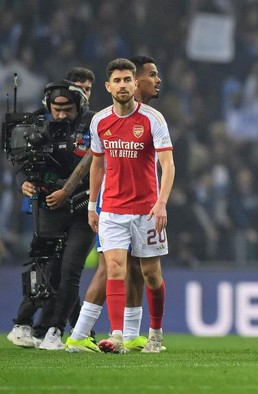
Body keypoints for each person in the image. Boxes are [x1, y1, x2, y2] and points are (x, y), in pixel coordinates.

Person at [66, 56, 163, 353]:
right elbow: (94, 162)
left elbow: (166, 164)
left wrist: (160, 202)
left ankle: (135, 334)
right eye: (153, 75)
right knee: (112, 268)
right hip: (113, 206)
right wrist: (91, 202)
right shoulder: (103, 120)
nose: (158, 80)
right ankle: (89, 334)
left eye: (128, 79)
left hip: (144, 206)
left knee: (143, 272)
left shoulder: (153, 119)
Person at [6, 80, 96, 350]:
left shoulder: (96, 123)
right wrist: (24, 184)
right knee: (48, 271)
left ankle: (54, 331)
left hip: (83, 208)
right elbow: (19, 167)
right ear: (48, 106)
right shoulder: (38, 127)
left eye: (67, 109)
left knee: (70, 272)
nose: (61, 115)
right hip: (50, 206)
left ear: (79, 106)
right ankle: (28, 325)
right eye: (56, 109)